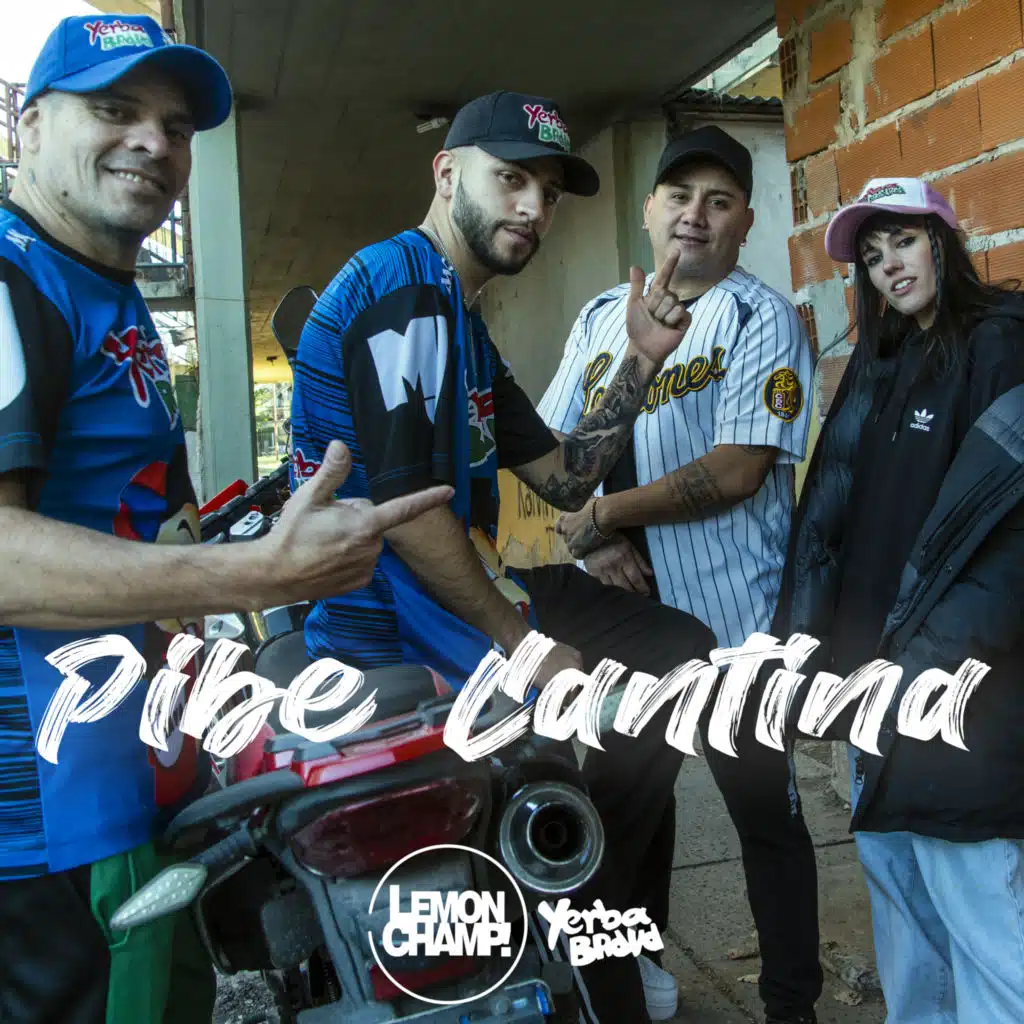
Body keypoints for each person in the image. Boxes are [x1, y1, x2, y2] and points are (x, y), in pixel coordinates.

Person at [0, 15, 452, 1024]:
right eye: (114, 109)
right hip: (43, 822)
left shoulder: (100, 290)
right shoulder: (12, 277)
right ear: (26, 126)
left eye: (175, 126)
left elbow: (129, 527)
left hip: (122, 781)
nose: (153, 141)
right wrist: (259, 574)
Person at [287, 90, 719, 1022]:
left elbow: (565, 477)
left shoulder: (461, 322)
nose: (532, 207)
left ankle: (603, 917)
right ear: (447, 174)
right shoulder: (402, 288)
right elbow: (407, 515)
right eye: (510, 179)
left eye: (548, 193)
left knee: (674, 658)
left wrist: (642, 359)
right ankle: (596, 938)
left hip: (465, 597)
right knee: (573, 769)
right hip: (394, 628)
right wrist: (526, 649)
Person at [537, 125, 823, 1024]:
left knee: (764, 816)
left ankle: (791, 1004)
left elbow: (737, 470)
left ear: (744, 223)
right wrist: (589, 539)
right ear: (649, 210)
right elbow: (552, 458)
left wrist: (604, 513)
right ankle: (640, 970)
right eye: (680, 196)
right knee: (631, 805)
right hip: (624, 619)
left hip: (731, 617)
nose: (695, 215)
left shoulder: (759, 317)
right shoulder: (598, 317)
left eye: (719, 200)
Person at [772, 176, 1024, 1022]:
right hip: (870, 684)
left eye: (906, 242)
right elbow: (828, 521)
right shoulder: (879, 363)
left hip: (958, 691)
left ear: (944, 241)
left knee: (983, 917)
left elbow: (1009, 541)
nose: (890, 266)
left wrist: (931, 671)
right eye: (874, 256)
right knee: (904, 909)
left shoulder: (1001, 345)